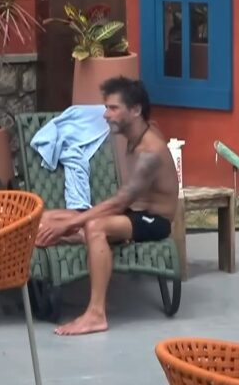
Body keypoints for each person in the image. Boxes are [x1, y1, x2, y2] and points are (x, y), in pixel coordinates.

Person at [36, 77, 179, 336]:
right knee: (47, 217)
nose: (105, 114)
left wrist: (70, 224)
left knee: (94, 226)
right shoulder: (133, 133)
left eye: (113, 108)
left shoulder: (150, 153)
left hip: (153, 220)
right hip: (130, 215)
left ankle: (96, 314)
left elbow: (119, 202)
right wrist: (63, 223)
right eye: (106, 107)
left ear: (135, 110)